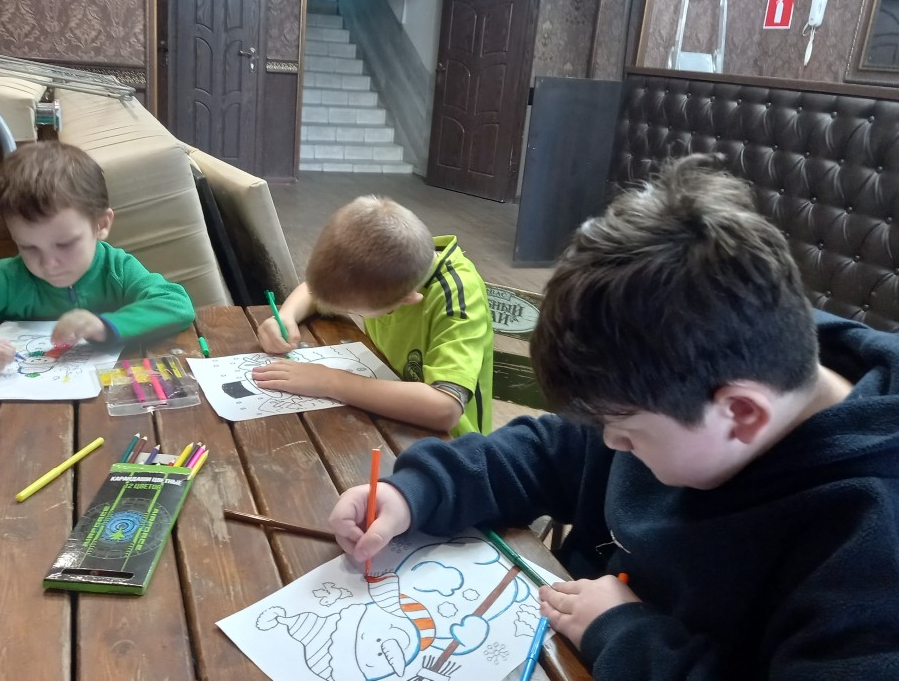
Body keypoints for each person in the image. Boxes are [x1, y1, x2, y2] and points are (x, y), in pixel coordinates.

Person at [327, 154, 899, 678]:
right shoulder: (688, 373)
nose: (609, 445)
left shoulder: (871, 555)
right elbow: (551, 451)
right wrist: (416, 492)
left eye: (626, 435)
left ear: (741, 415)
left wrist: (625, 633)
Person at [0, 141, 195, 378]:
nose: (49, 264)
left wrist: (106, 326)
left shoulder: (116, 268)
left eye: (64, 244)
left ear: (101, 224)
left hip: (116, 398)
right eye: (28, 247)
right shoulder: (11, 279)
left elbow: (175, 303)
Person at [253, 195, 493, 436]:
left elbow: (446, 408)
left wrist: (329, 381)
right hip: (386, 406)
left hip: (452, 445)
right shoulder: (387, 262)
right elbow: (317, 292)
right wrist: (286, 316)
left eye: (353, 310)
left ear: (408, 299)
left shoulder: (458, 295)